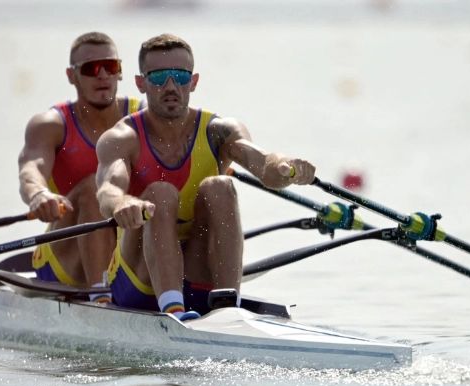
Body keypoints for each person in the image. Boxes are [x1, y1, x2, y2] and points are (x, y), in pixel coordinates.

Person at [95, 33, 315, 320]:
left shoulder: (219, 129)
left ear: (194, 81)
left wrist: (287, 168)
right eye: (159, 77)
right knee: (161, 193)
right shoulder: (123, 137)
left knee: (221, 186)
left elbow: (264, 165)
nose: (171, 86)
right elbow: (108, 189)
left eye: (180, 76)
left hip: (197, 273)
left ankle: (227, 307)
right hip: (138, 284)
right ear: (141, 83)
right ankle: (173, 308)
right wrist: (122, 203)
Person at [18, 32, 142, 294]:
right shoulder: (50, 124)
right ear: (71, 76)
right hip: (64, 258)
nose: (102, 75)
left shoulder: (142, 117)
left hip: (127, 246)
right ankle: (100, 294)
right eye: (90, 68)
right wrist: (39, 194)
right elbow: (31, 169)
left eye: (110, 67)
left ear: (120, 72)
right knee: (94, 187)